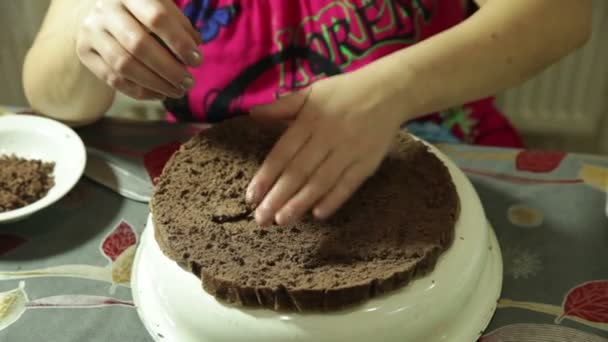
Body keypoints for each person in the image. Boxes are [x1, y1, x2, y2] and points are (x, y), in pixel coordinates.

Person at [23, 0, 591, 226]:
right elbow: (55, 100)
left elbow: (562, 16)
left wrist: (389, 90)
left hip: (453, 161)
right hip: (227, 200)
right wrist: (93, 22)